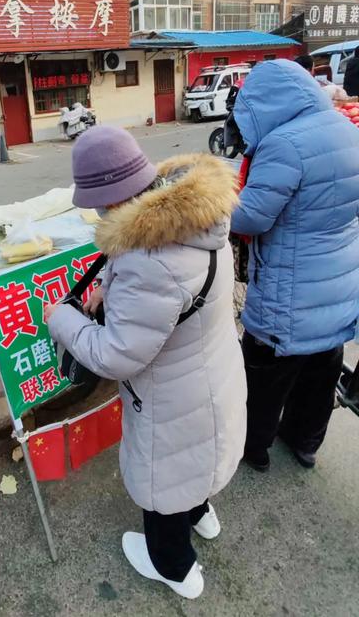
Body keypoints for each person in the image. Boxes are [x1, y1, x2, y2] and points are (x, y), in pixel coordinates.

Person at [45, 126, 246, 600]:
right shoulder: (194, 217)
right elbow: (170, 298)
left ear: (105, 199)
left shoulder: (148, 258)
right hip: (212, 373)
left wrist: (61, 320)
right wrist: (110, 292)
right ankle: (202, 515)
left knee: (166, 480)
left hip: (172, 397)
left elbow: (115, 355)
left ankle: (174, 567)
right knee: (198, 460)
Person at [231, 59, 359, 473]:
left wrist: (215, 199)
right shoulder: (345, 128)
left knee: (264, 380)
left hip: (286, 298)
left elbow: (251, 217)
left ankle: (255, 449)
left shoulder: (284, 144)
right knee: (320, 376)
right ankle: (304, 443)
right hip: (338, 286)